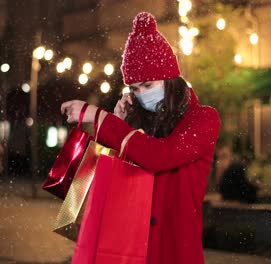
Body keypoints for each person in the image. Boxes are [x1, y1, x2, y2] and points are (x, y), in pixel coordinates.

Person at [60, 12, 220, 264]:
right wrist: (117, 122)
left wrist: (101, 119)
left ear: (170, 80)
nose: (142, 94)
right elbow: (94, 183)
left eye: (148, 85)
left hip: (174, 252)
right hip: (128, 249)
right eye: (134, 88)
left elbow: (160, 155)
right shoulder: (132, 123)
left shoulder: (203, 119)